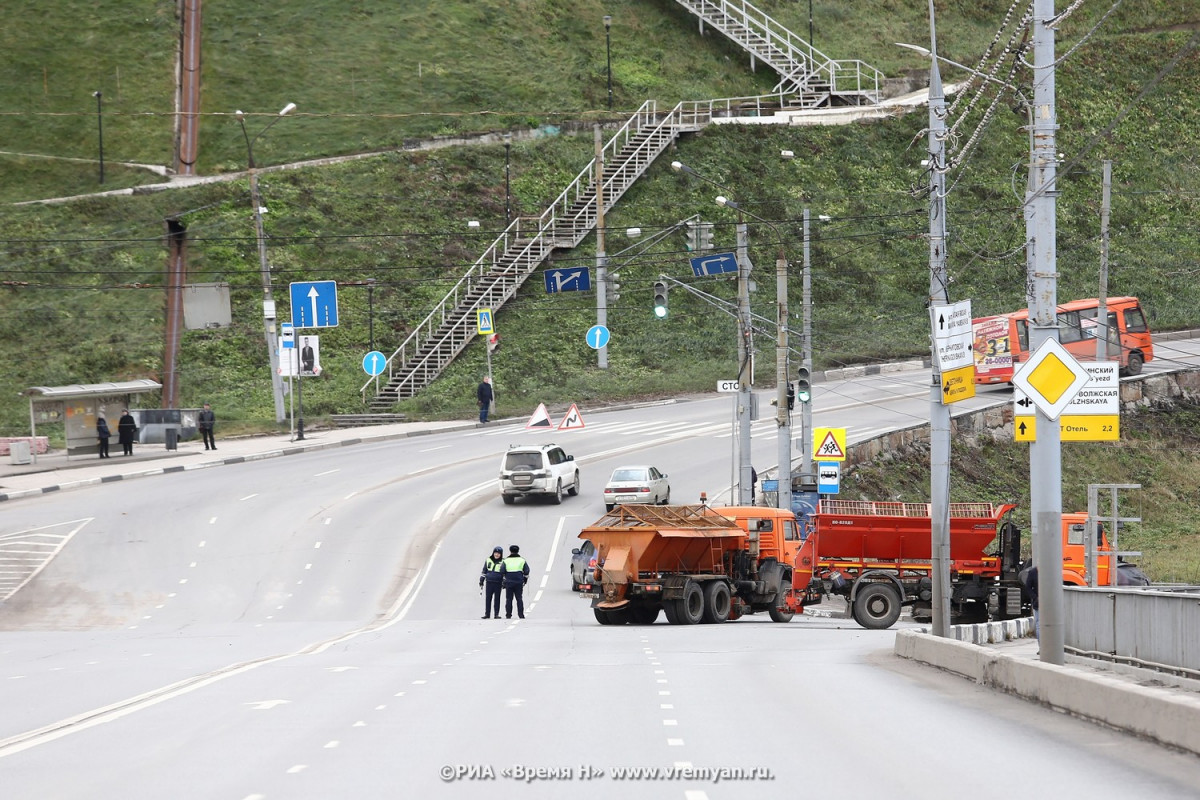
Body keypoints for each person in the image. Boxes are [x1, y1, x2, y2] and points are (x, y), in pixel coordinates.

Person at [499, 544, 529, 619]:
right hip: (519, 581)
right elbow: (527, 571)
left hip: (509, 582)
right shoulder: (522, 560)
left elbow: (501, 571)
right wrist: (525, 579)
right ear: (518, 551)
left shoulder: (506, 560)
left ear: (510, 551)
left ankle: (508, 615)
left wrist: (504, 580)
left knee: (509, 599)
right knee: (519, 598)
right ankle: (521, 615)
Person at [479, 546, 505, 619]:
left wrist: (504, 582)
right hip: (489, 582)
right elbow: (484, 571)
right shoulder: (488, 560)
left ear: (501, 554)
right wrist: (481, 580)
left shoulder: (503, 561)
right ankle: (487, 614)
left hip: (498, 582)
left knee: (497, 599)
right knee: (488, 598)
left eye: (498, 553)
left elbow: (504, 573)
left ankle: (496, 614)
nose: (496, 555)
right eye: (495, 553)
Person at [1023, 564, 1040, 646]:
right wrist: (1035, 597)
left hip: (1049, 603)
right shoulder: (1033, 572)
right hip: (1038, 603)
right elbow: (1028, 587)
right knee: (1039, 624)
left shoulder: (1050, 571)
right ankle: (1041, 647)